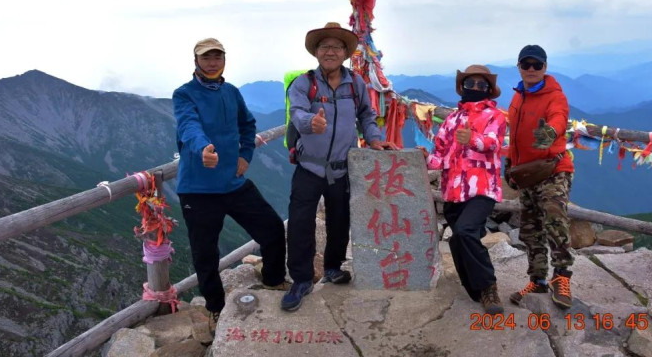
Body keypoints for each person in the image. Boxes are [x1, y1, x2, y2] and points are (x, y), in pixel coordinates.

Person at [281, 22, 397, 312]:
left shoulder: (355, 84)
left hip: (342, 167)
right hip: (309, 167)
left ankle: (333, 267)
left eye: (336, 47)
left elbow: (367, 114)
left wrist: (374, 139)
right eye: (324, 46)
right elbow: (297, 113)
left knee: (339, 220)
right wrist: (311, 122)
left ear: (345, 53)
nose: (330, 51)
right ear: (316, 52)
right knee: (300, 224)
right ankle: (301, 280)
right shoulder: (304, 83)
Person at [173, 38, 287, 323]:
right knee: (205, 253)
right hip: (197, 189)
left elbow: (247, 125)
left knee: (272, 228)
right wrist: (203, 149)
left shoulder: (231, 92)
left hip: (233, 182)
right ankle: (215, 308)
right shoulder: (184, 94)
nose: (212, 63)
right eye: (206, 58)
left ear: (224, 60)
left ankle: (273, 280)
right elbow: (188, 126)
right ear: (196, 61)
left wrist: (245, 154)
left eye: (217, 57)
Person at [419, 65, 506, 315]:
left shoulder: (495, 116)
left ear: (489, 89)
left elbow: (494, 143)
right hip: (453, 191)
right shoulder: (451, 120)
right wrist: (425, 158)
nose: (475, 88)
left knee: (465, 232)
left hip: (482, 189)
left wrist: (473, 140)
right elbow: (439, 155)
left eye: (482, 85)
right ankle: (474, 289)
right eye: (471, 84)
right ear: (462, 87)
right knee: (458, 239)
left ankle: (489, 287)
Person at [506, 44, 575, 309]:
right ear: (519, 67)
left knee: (554, 217)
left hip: (552, 169)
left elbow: (559, 118)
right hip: (527, 173)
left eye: (537, 65)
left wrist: (551, 132)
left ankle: (562, 277)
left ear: (545, 67)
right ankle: (538, 280)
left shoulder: (555, 96)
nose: (531, 69)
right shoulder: (518, 97)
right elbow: (514, 137)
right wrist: (510, 164)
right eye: (526, 64)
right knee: (530, 228)